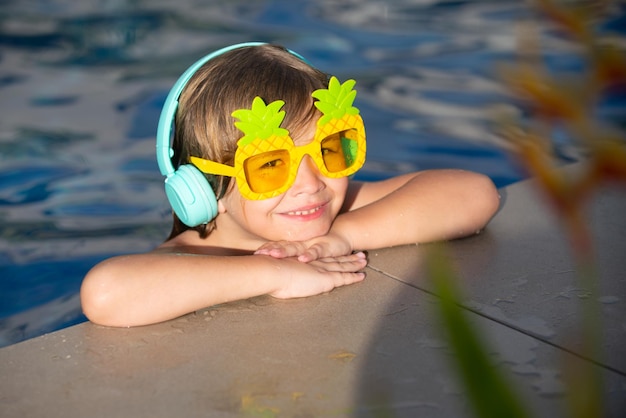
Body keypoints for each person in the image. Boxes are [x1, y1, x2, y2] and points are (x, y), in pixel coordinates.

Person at [80, 43, 500, 327]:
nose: (311, 183)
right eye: (269, 166)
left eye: (329, 149)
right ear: (204, 187)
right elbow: (106, 292)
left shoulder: (336, 213)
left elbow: (474, 194)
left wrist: (342, 237)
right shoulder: (195, 255)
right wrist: (273, 273)